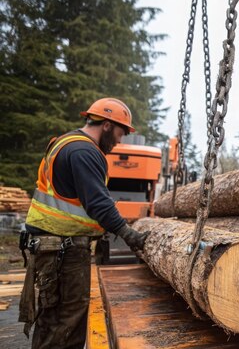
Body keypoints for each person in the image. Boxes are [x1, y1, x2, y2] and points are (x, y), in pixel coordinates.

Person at [18, 98, 149, 349]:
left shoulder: (66, 143)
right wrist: (128, 234)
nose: (121, 140)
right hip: (61, 251)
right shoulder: (84, 151)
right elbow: (98, 203)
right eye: (121, 132)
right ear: (108, 125)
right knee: (66, 322)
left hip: (53, 246)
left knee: (53, 319)